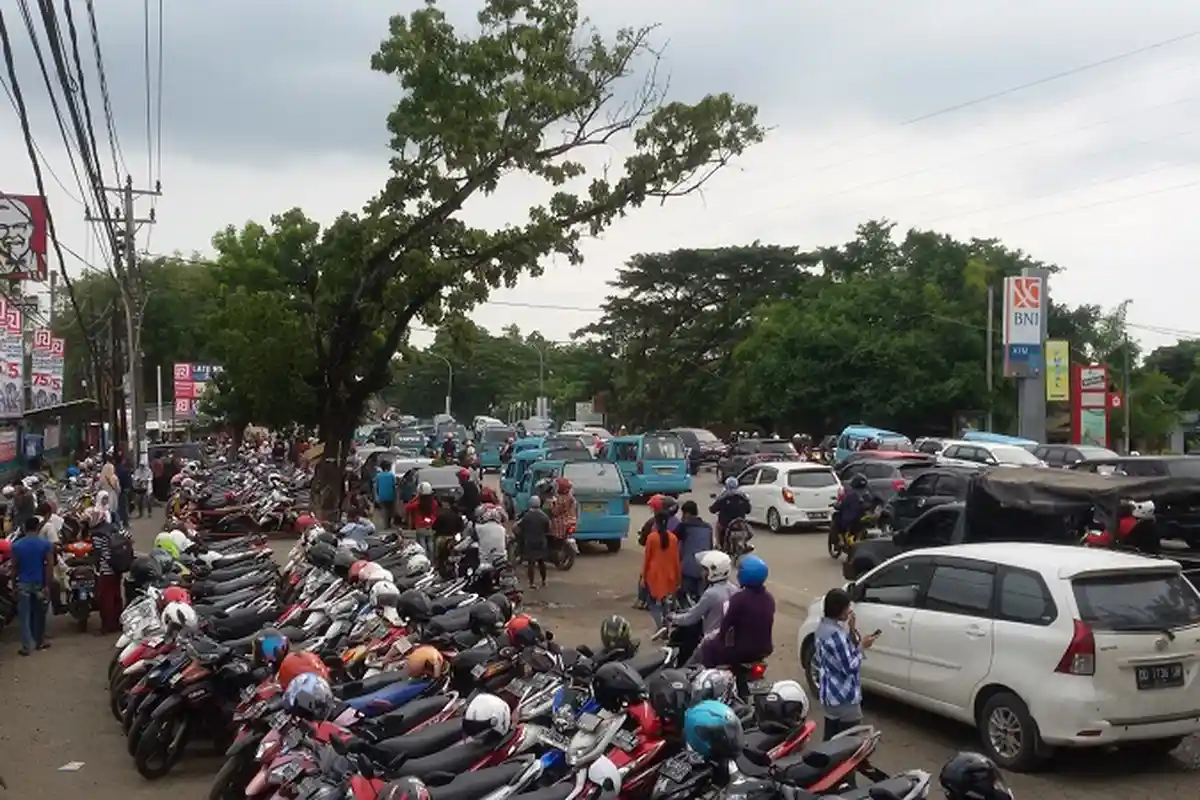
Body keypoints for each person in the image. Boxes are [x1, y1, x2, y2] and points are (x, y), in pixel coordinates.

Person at [815, 587, 878, 746]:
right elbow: (850, 666)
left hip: (830, 695)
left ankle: (824, 769)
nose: (849, 611)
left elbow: (842, 654)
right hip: (843, 696)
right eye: (847, 607)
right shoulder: (835, 635)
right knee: (849, 746)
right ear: (839, 609)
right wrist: (862, 645)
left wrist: (851, 630)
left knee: (830, 741)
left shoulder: (823, 628)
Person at [698, 554, 774, 669]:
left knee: (707, 648)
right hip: (764, 649)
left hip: (741, 652)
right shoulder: (769, 599)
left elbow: (725, 627)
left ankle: (710, 679)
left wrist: (716, 640)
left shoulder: (739, 599)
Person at [668, 550, 737, 663]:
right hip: (729, 640)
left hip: (711, 641)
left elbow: (691, 618)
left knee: (688, 667)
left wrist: (673, 618)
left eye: (704, 570)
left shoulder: (711, 593)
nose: (701, 573)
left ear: (714, 572)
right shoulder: (733, 589)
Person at [11, 515, 53, 654]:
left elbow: (14, 567)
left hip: (23, 584)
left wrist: (13, 583)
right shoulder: (45, 544)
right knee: (39, 614)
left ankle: (26, 647)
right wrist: (47, 584)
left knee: (24, 617)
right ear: (37, 528)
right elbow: (49, 565)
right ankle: (39, 642)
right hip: (39, 584)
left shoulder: (17, 545)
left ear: (24, 528)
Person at [641, 498, 681, 628]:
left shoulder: (652, 538)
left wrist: (643, 577)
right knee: (666, 603)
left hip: (654, 575)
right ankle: (667, 624)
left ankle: (660, 626)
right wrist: (678, 578)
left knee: (652, 603)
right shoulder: (673, 538)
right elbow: (676, 559)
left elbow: (647, 558)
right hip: (669, 575)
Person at [635, 494, 679, 609]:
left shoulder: (652, 526)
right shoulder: (678, 523)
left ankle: (641, 600)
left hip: (655, 567)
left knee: (644, 577)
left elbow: (644, 546)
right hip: (670, 567)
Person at [674, 501, 714, 602]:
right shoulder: (708, 527)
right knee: (701, 596)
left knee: (681, 593)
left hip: (689, 567)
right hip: (705, 568)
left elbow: (671, 540)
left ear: (686, 514)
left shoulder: (684, 526)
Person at [514, 495, 551, 589]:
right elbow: (548, 529)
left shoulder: (527, 516)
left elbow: (517, 527)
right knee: (541, 562)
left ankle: (532, 583)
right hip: (541, 541)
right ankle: (544, 581)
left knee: (531, 563)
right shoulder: (544, 516)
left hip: (530, 542)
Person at [709, 476, 751, 552]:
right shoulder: (743, 496)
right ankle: (745, 544)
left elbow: (712, 510)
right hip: (740, 524)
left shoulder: (724, 496)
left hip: (725, 524)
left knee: (717, 526)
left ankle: (718, 545)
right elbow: (748, 510)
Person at [404, 482, 439, 556]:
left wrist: (416, 497)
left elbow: (407, 507)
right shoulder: (434, 502)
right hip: (431, 525)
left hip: (420, 526)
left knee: (422, 543)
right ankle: (432, 558)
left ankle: (424, 557)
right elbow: (435, 513)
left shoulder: (417, 504)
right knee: (430, 542)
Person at [835, 474, 870, 544]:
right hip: (862, 519)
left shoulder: (850, 494)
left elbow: (843, 505)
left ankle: (841, 540)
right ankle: (857, 539)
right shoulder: (867, 494)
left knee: (836, 518)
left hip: (849, 520)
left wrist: (837, 506)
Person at [548, 477, 578, 545]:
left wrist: (551, 504)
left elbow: (554, 512)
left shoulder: (560, 499)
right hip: (571, 521)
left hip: (560, 524)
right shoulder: (571, 497)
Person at [374, 460, 398, 527]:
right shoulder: (392, 475)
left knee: (384, 509)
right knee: (390, 509)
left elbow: (377, 486)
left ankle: (386, 524)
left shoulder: (378, 476)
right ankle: (389, 522)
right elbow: (394, 485)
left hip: (382, 495)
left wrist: (377, 495)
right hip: (390, 495)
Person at [115, 456, 133, 526]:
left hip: (117, 490)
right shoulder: (124, 469)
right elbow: (127, 479)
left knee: (119, 506)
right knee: (124, 506)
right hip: (122, 490)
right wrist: (127, 487)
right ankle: (125, 522)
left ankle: (120, 521)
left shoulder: (116, 469)